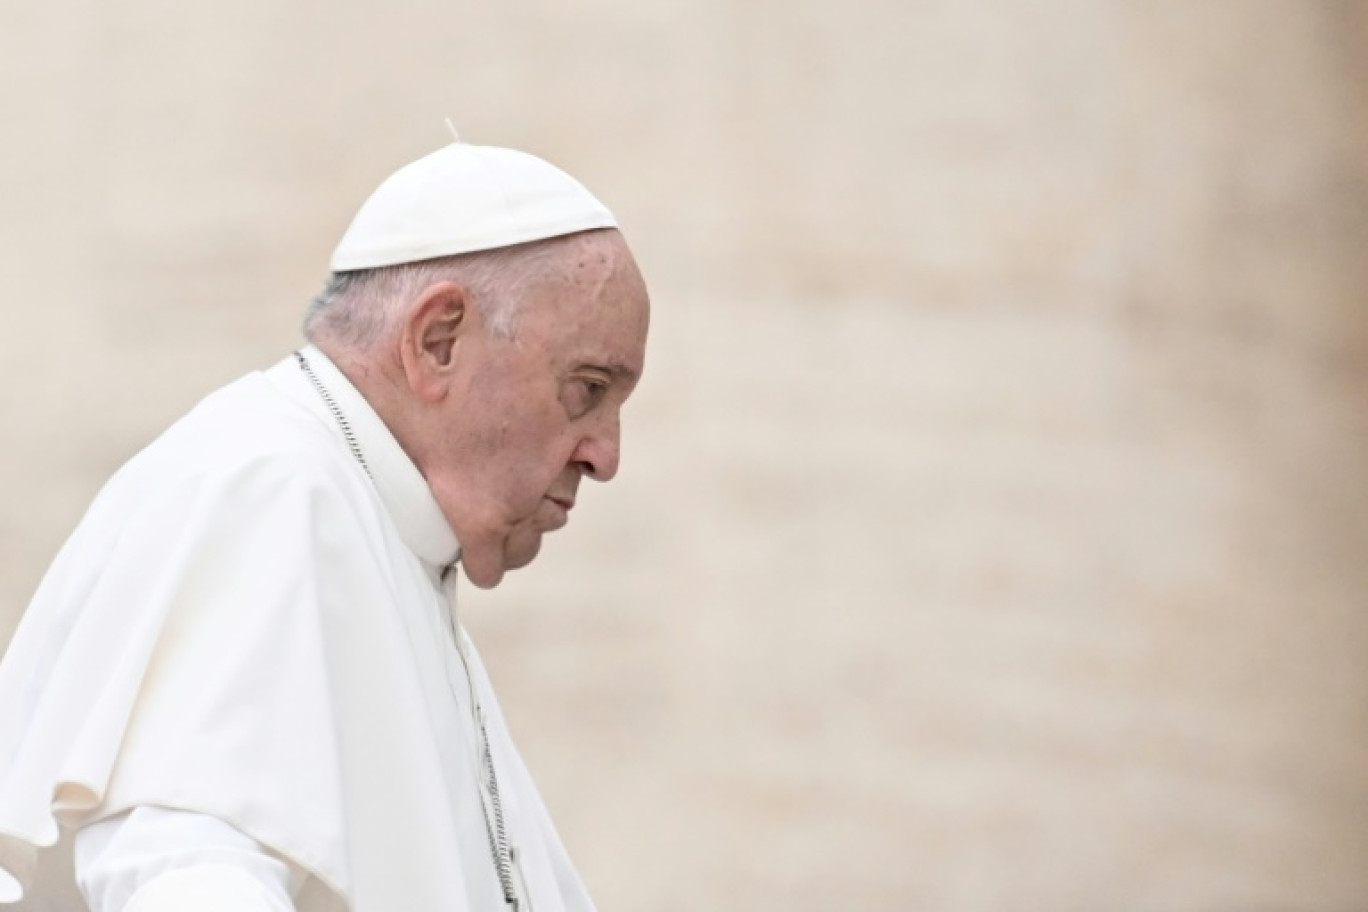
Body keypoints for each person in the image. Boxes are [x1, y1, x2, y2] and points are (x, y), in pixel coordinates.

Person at [0, 140, 650, 912]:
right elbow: (187, 871)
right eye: (587, 387)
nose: (605, 455)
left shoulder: (378, 530)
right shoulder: (270, 491)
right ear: (438, 338)